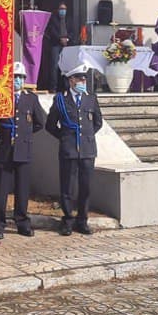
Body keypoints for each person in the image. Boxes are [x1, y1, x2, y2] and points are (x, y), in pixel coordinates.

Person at [0, 62, 48, 240]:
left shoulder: (30, 98)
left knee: (22, 189)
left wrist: (25, 134)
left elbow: (40, 122)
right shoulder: (0, 97)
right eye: (14, 77)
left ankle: (22, 222)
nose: (17, 80)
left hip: (23, 148)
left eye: (20, 77)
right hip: (5, 148)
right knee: (1, 189)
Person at [46, 63, 103, 236]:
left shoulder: (90, 98)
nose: (83, 82)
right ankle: (68, 219)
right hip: (69, 149)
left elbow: (98, 122)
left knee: (85, 187)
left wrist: (86, 136)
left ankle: (82, 220)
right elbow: (50, 125)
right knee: (67, 187)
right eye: (79, 79)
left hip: (87, 150)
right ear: (71, 80)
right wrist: (65, 137)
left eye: (84, 79)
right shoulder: (61, 99)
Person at [43, 2, 74, 93]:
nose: (62, 11)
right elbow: (52, 31)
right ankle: (53, 87)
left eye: (64, 9)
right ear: (58, 10)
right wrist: (60, 39)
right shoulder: (53, 19)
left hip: (67, 45)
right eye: (61, 9)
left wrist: (67, 39)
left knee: (66, 66)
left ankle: (66, 87)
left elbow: (72, 31)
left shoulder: (69, 19)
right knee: (54, 66)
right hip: (55, 44)